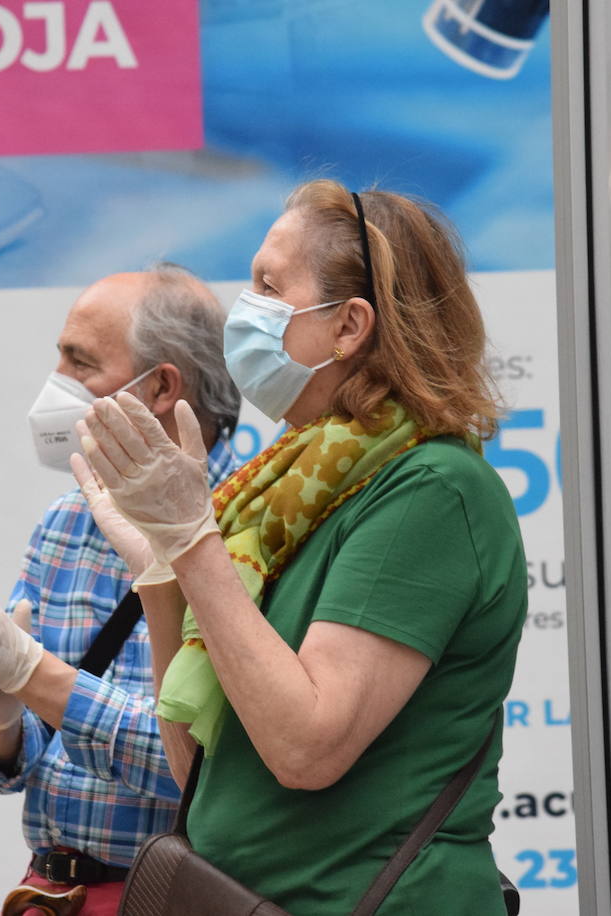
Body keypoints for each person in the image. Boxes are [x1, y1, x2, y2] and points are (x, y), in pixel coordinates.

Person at [74, 180, 527, 914]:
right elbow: (196, 762)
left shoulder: (432, 491)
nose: (242, 308)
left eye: (267, 285)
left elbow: (306, 749)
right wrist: (161, 570)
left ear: (350, 325)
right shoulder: (289, 487)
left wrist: (194, 544)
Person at [0, 265, 241, 915]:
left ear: (162, 386)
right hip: (51, 894)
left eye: (81, 364)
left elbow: (201, 770)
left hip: (172, 896)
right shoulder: (68, 517)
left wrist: (33, 675)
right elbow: (17, 763)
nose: (57, 386)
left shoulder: (245, 525)